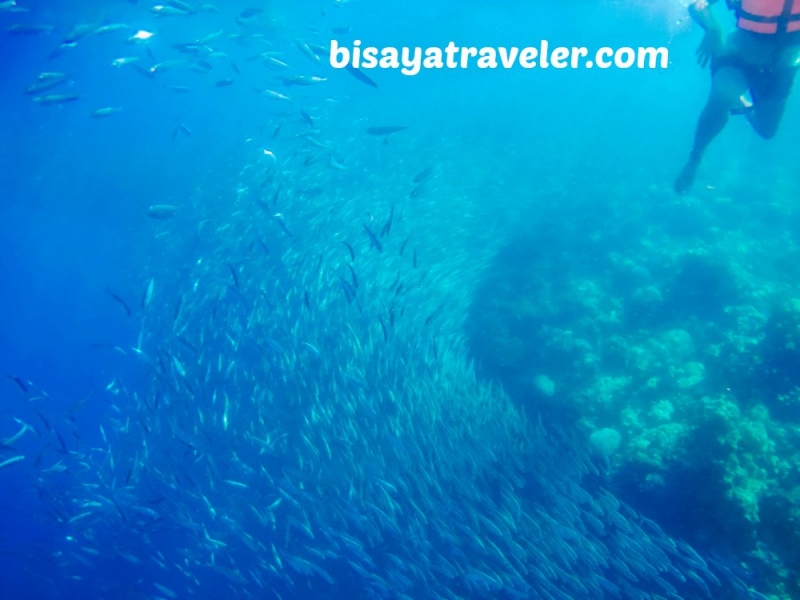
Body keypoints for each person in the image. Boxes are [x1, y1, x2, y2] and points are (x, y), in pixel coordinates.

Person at [674, 0, 800, 194]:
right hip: (739, 57)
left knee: (767, 130)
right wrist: (712, 29)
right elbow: (698, 5)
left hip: (782, 67)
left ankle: (740, 101)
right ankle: (694, 160)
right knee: (721, 97)